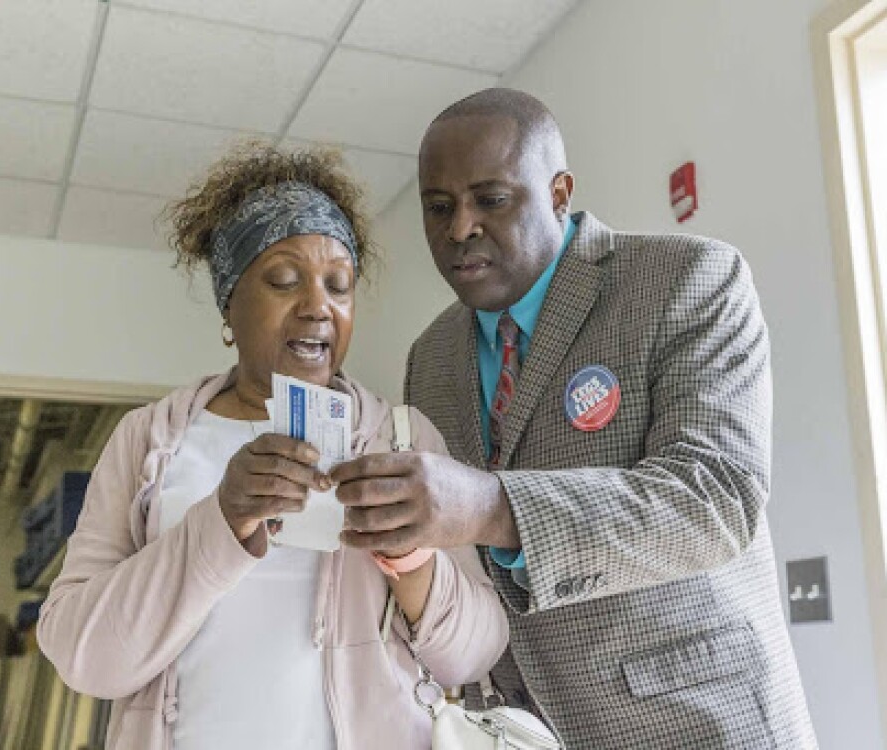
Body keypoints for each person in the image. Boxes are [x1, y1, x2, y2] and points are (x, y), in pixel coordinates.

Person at [330, 88, 818, 748]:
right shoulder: (432, 358)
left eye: (490, 199)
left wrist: (488, 505)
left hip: (701, 723)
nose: (458, 228)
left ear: (559, 193)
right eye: (438, 207)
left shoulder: (687, 280)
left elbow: (714, 498)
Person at [37, 143, 508, 750]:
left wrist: (413, 561)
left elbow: (473, 655)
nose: (318, 306)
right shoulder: (149, 440)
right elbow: (84, 657)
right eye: (284, 281)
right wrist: (223, 519)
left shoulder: (402, 438)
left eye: (339, 286)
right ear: (230, 304)